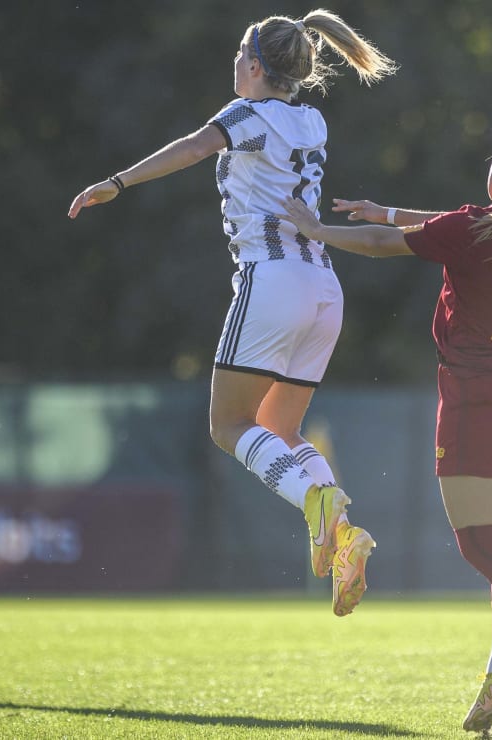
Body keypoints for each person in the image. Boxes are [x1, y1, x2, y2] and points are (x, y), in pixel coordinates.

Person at [67, 10, 396, 617]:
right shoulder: (312, 118)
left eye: (239, 58)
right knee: (282, 429)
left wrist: (117, 182)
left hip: (272, 281)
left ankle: (318, 505)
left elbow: (193, 148)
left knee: (227, 426)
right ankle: (343, 531)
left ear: (252, 65)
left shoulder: (245, 113)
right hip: (324, 286)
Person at [281, 116, 492, 733]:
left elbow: (401, 245)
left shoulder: (475, 229)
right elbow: (450, 228)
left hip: (478, 394)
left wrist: (320, 230)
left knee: (479, 545)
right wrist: (388, 210)